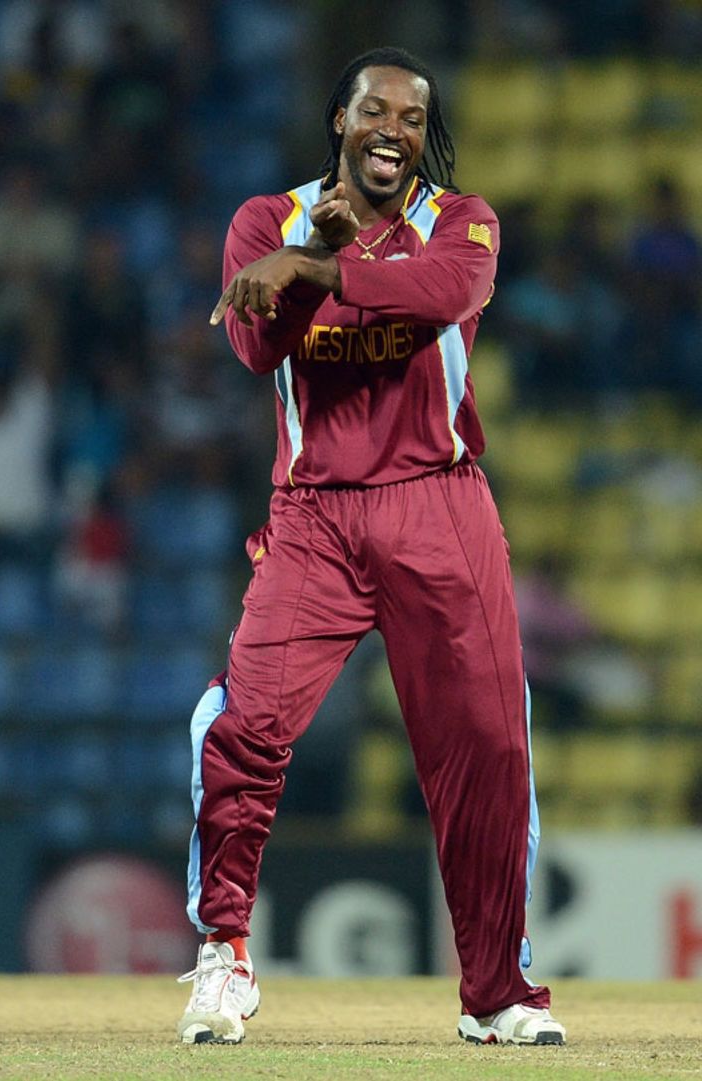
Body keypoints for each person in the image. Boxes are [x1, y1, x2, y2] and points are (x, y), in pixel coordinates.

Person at [175, 48, 565, 1048]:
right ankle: (224, 954)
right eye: (373, 111)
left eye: (411, 115)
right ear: (337, 121)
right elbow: (256, 348)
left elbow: (442, 293)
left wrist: (313, 267)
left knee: (485, 746)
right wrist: (305, 256)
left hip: (441, 502)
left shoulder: (463, 219)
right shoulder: (264, 221)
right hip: (315, 516)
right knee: (246, 725)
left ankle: (497, 991)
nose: (393, 128)